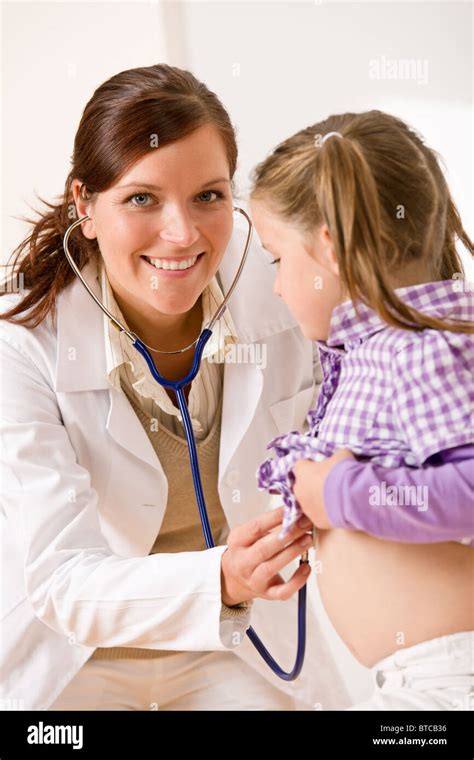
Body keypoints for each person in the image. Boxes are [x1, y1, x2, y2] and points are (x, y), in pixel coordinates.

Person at [0, 64, 350, 711]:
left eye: (209, 196)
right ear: (86, 206)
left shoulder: (281, 290)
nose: (183, 234)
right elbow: (60, 579)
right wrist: (221, 574)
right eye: (142, 199)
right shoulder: (24, 348)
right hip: (75, 653)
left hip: (236, 641)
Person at [249, 110, 474, 710]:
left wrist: (342, 494)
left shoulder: (421, 350)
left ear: (330, 249)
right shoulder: (376, 352)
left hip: (449, 681)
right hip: (421, 677)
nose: (276, 286)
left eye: (277, 259)